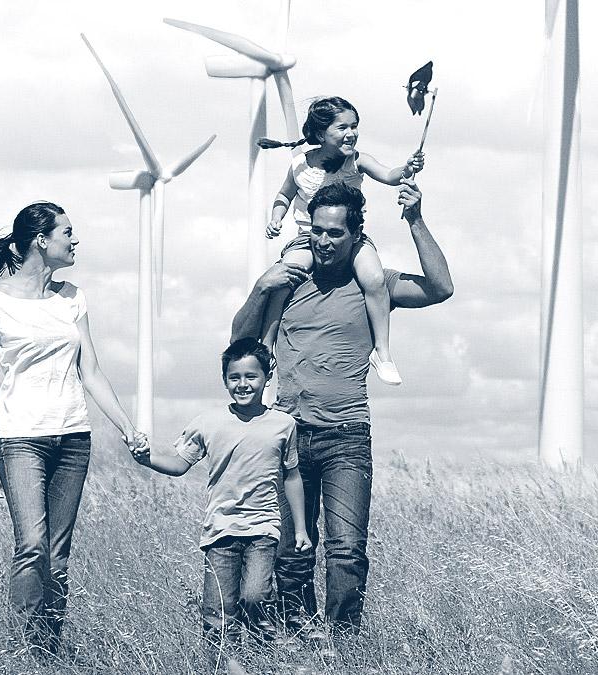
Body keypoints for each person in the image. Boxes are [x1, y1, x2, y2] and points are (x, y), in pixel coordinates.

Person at [230, 179, 453, 641]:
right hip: (288, 433)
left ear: (356, 236)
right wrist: (259, 287)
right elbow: (240, 341)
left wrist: (414, 219)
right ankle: (299, 640)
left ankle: (344, 644)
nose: (324, 241)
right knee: (292, 552)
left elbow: (440, 287)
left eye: (335, 233)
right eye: (318, 230)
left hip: (346, 435)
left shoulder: (373, 284)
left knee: (346, 549)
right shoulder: (289, 279)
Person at [0, 201, 146, 655]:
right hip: (19, 438)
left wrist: (127, 427)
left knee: (57, 560)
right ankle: (21, 653)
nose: (75, 240)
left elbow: (92, 371)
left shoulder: (72, 296)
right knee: (33, 546)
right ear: (42, 240)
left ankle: (48, 653)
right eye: (68, 232)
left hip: (74, 437)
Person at [131, 338, 311, 649]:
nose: (243, 384)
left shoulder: (283, 425)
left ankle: (262, 648)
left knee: (255, 595)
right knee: (217, 611)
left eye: (251, 376)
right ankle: (222, 661)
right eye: (234, 377)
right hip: (220, 529)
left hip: (263, 527)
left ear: (267, 376)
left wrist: (301, 528)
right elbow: (179, 464)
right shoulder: (208, 422)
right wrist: (146, 459)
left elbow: (292, 477)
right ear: (225, 380)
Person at [258, 96, 425, 386]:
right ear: (321, 134)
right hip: (308, 238)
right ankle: (267, 345)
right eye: (343, 127)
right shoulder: (300, 164)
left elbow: (389, 175)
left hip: (351, 238)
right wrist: (276, 217)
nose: (352, 133)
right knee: (284, 277)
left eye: (355, 126)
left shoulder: (357, 160)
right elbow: (284, 195)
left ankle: (382, 352)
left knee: (374, 279)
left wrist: (408, 168)